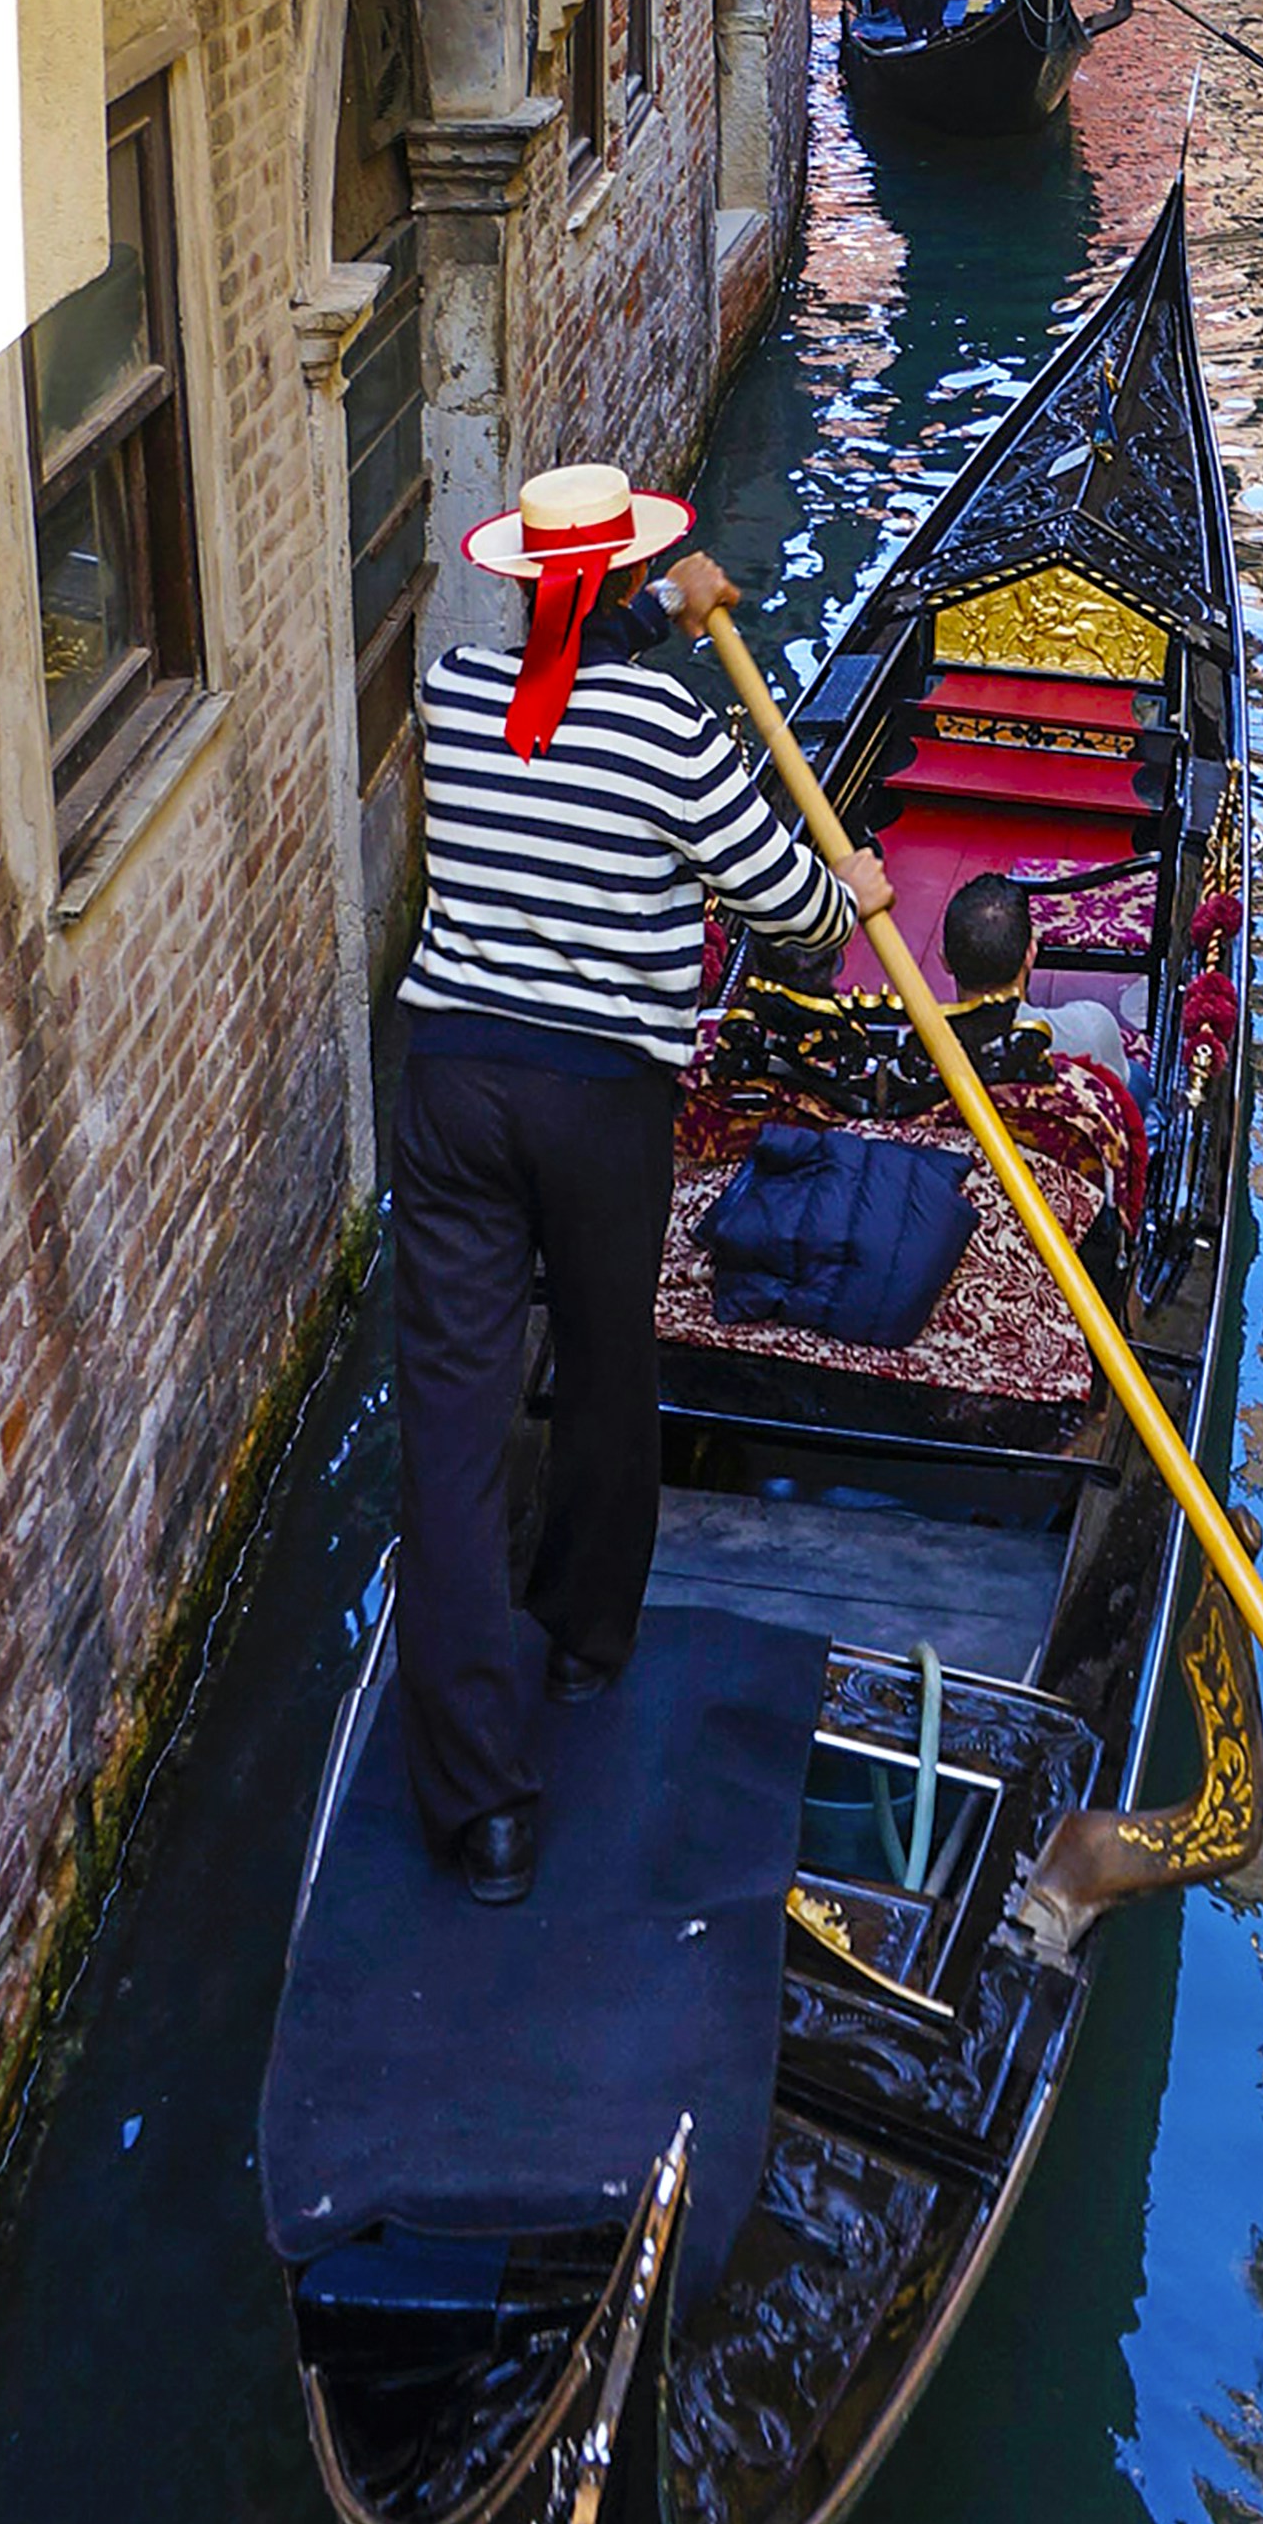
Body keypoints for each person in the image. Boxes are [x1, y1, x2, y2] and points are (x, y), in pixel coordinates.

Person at [391, 462, 893, 1906]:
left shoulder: (451, 695)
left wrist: (664, 611)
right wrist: (852, 889)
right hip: (601, 1101)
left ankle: (484, 1812)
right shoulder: (672, 729)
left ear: (518, 580)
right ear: (624, 574)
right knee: (611, 1359)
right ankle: (586, 1638)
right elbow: (788, 909)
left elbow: (562, 686)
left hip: (453, 1085)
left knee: (453, 1428)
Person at [940, 869, 1133, 1093]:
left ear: (945, 960)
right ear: (1031, 953)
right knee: (1136, 1077)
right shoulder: (1093, 1027)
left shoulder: (917, 1055)